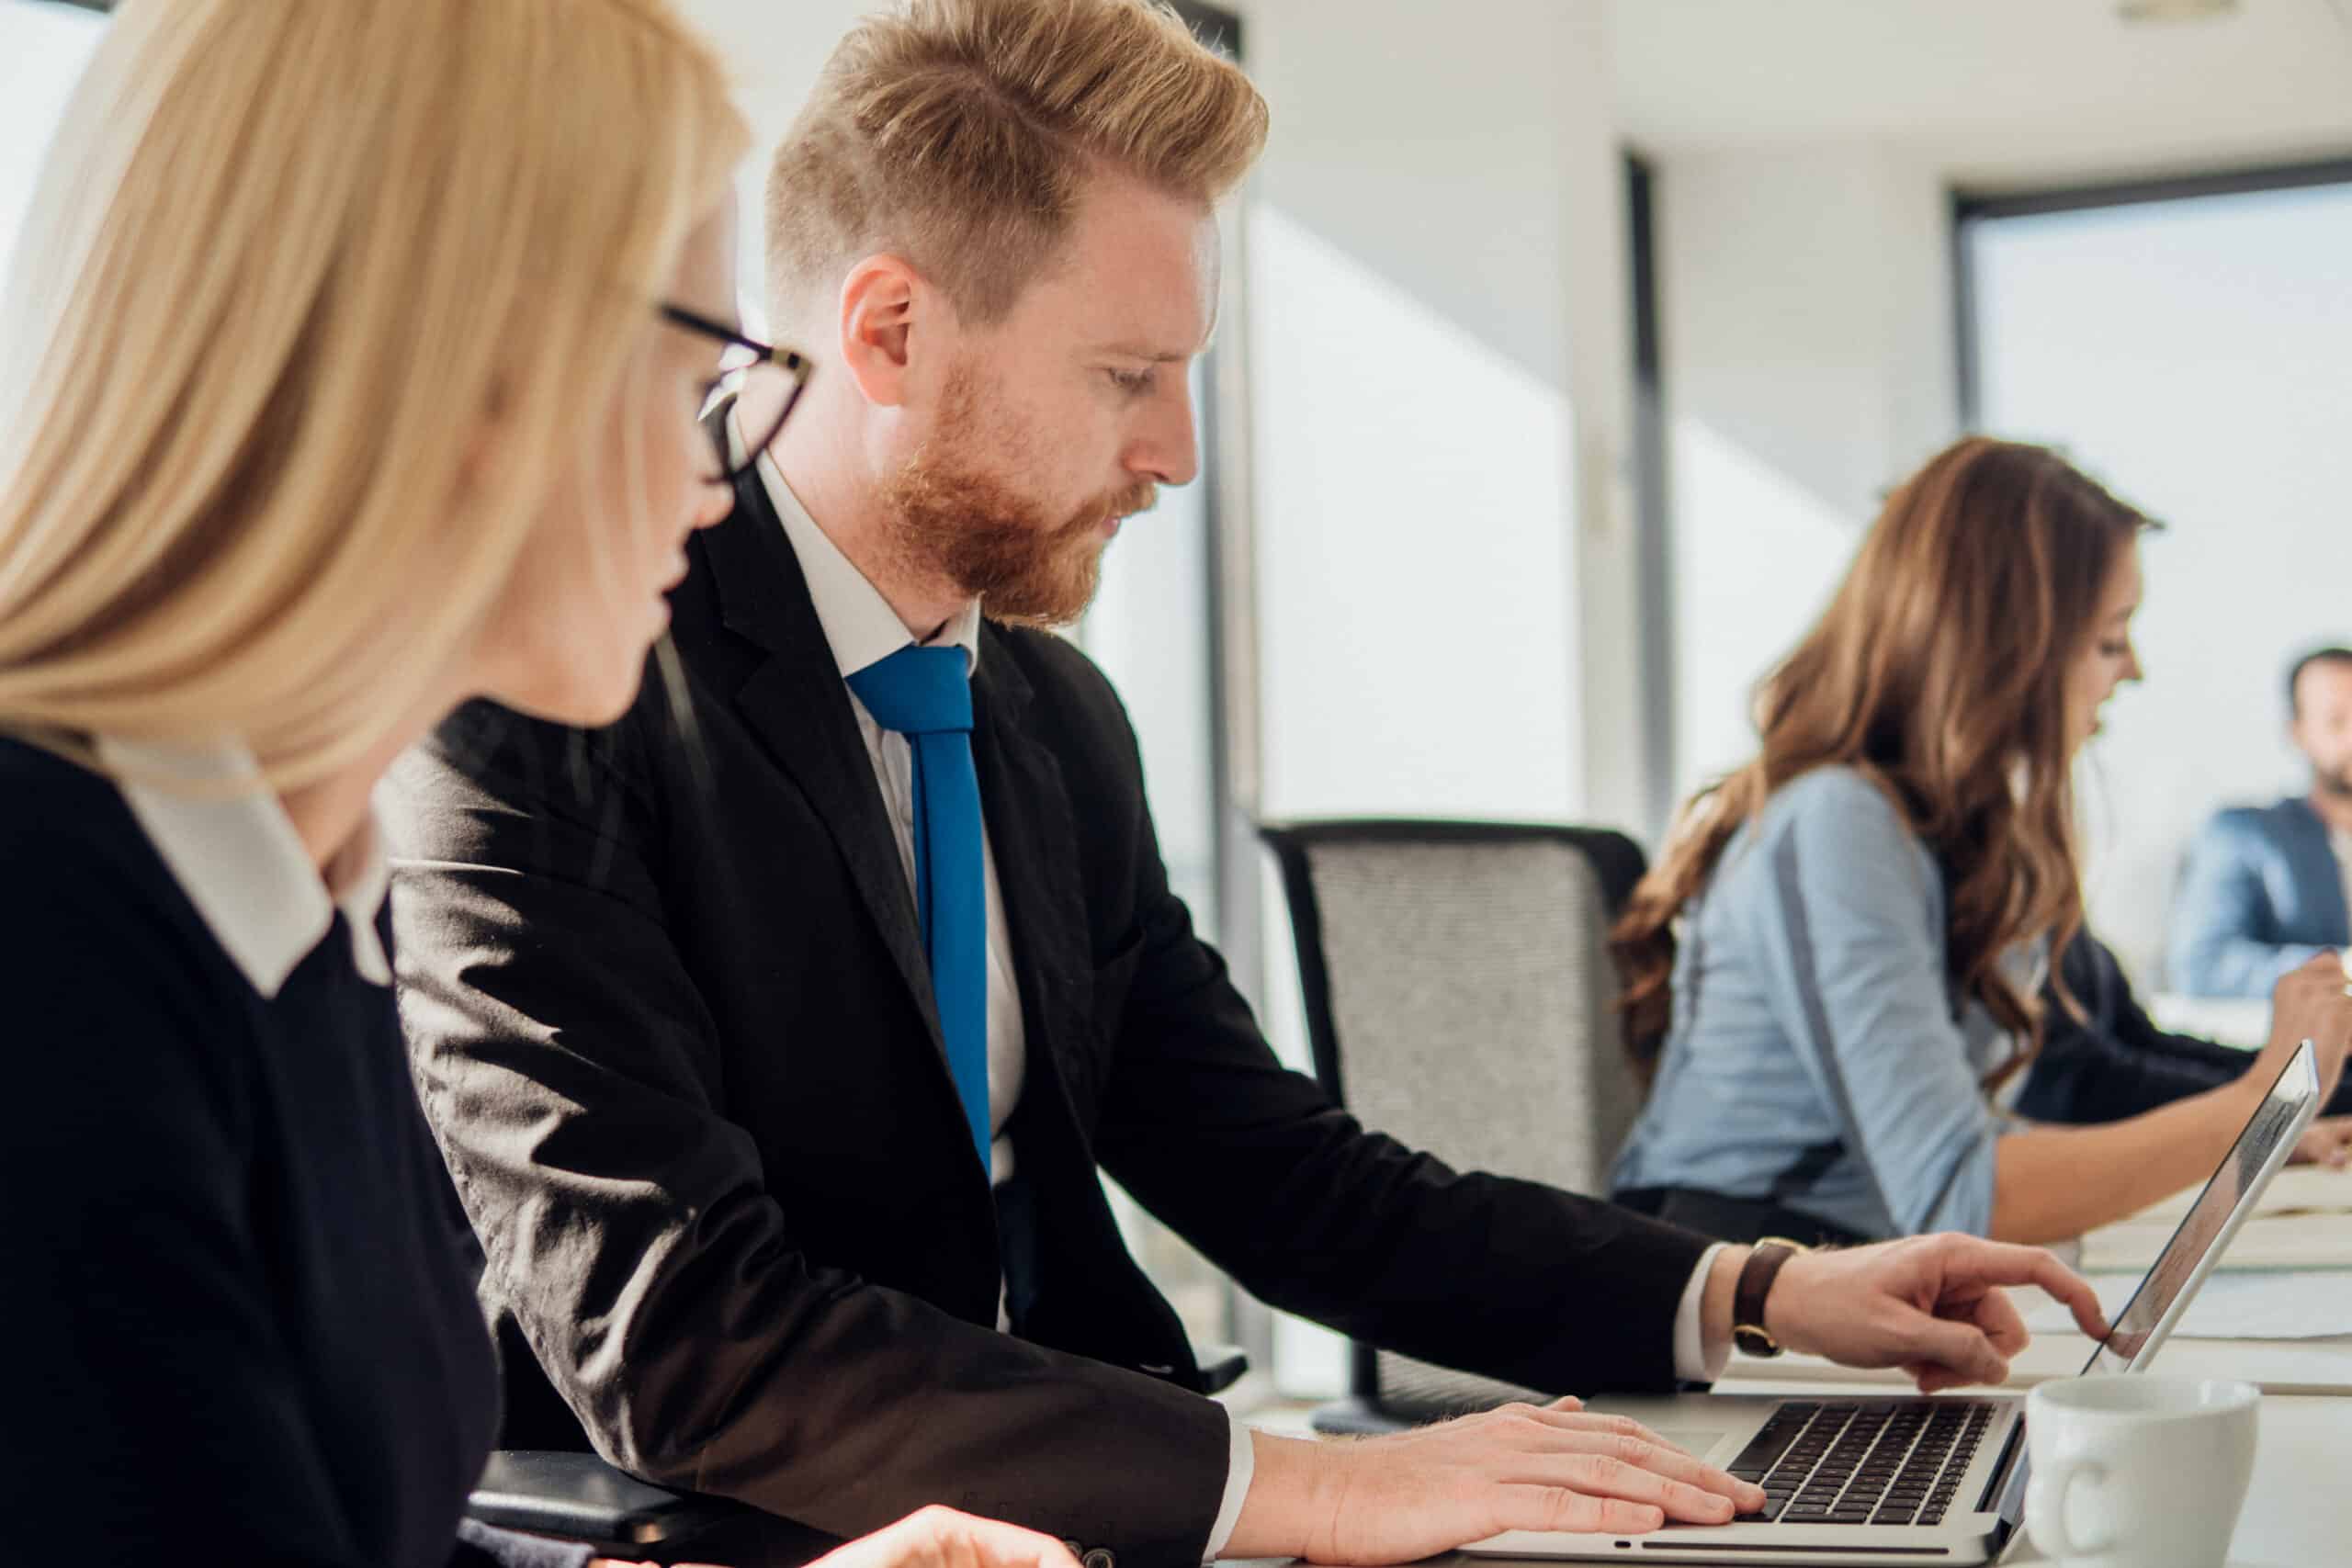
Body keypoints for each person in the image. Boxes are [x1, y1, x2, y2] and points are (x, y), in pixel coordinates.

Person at [385, 5, 2107, 1564]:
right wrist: (1323, 1482)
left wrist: (1756, 1287)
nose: (1176, 454)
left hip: (1083, 1495)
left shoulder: (1048, 715)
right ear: (890, 329)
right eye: (1127, 377)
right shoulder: (558, 681)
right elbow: (680, 1333)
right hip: (720, 1522)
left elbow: (1283, 1173)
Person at [0, 5, 1078, 1568]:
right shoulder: (49, 949)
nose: (718, 467)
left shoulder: (302, 907)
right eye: (701, 358)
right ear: (449, 362)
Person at [1610, 437, 2352, 1251]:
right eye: (2109, 639)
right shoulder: (1836, 821)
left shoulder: (1965, 831)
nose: (2131, 670)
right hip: (1746, 1283)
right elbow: (1959, 1192)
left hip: (1860, 1269)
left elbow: (1993, 1130)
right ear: (2004, 646)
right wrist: (2258, 1102)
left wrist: (2256, 1123)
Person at [2022, 929, 2352, 1168]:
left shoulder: (2061, 921)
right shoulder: (2016, 913)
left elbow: (2139, 1041)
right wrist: (2264, 1102)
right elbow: (2090, 1088)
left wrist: (2291, 1079)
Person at [2165, 646, 2352, 998]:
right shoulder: (2245, 835)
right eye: (2336, 721)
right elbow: (2203, 965)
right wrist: (2341, 970)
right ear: (2298, 733)